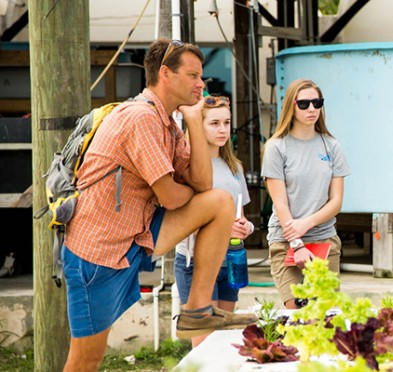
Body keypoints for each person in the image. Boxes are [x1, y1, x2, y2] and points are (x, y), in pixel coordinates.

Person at [62, 39, 255, 371]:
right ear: (166, 74)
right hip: (98, 255)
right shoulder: (141, 118)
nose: (201, 84)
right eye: (193, 75)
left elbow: (204, 185)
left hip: (134, 237)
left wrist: (194, 120)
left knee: (219, 202)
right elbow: (170, 196)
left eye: (202, 76)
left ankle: (196, 310)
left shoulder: (167, 122)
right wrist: (187, 193)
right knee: (86, 361)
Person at [174, 95, 254, 347]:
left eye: (226, 123)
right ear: (198, 126)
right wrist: (219, 228)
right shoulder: (187, 167)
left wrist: (246, 227)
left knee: (226, 339)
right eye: (214, 123)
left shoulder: (234, 166)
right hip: (195, 261)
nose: (222, 130)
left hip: (231, 259)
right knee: (204, 343)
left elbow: (241, 215)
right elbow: (180, 221)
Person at [263, 79, 351, 309]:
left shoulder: (331, 146)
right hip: (286, 240)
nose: (311, 109)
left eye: (317, 102)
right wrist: (297, 242)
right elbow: (280, 203)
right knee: (298, 312)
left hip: (324, 239)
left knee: (325, 316)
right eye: (304, 104)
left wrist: (307, 224)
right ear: (291, 106)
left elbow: (336, 202)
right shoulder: (276, 147)